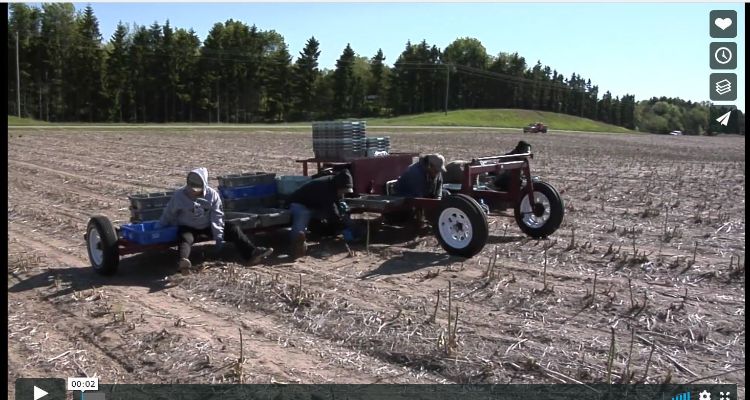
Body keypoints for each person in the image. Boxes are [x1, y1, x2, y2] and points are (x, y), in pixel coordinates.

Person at [157, 167, 272, 272]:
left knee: (233, 228)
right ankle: (183, 262)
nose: (193, 190)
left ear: (204, 184)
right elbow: (169, 212)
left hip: (208, 225)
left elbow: (217, 215)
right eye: (191, 186)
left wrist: (218, 236)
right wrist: (160, 226)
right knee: (184, 238)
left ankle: (252, 253)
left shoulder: (212, 195)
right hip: (188, 226)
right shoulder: (179, 195)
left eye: (197, 187)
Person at [287, 168, 355, 258]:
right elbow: (331, 210)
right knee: (302, 217)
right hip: (299, 203)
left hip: (313, 204)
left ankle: (320, 232)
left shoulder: (335, 184)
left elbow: (336, 204)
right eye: (343, 190)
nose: (344, 193)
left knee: (326, 217)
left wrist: (343, 215)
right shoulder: (325, 188)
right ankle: (296, 245)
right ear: (339, 186)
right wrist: (341, 225)